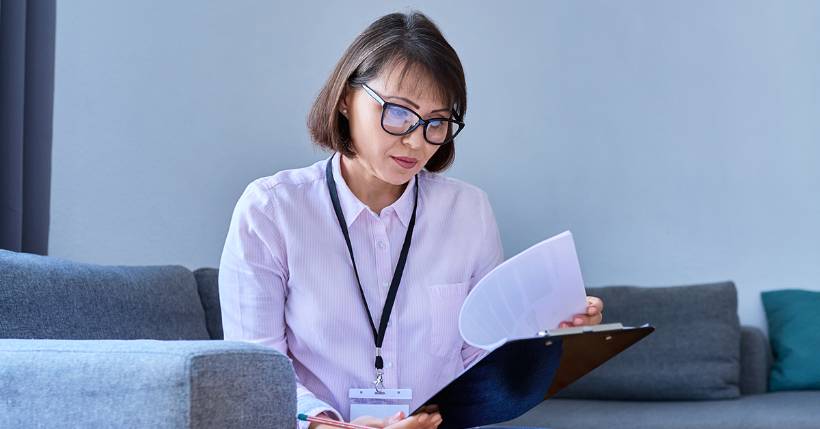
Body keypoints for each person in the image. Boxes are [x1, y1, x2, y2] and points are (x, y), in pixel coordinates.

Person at [218, 10, 604, 429]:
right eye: (399, 112)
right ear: (347, 98)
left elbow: (480, 359)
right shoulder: (270, 211)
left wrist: (550, 334)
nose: (417, 141)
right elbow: (255, 372)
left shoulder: (468, 213)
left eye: (437, 122)